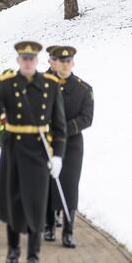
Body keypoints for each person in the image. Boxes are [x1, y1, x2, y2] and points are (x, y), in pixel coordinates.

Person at [0, 41, 66, 263]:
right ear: (18, 60)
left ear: (37, 60)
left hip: (39, 152)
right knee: (14, 201)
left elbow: (59, 126)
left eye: (32, 58)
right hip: (13, 149)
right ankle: (13, 249)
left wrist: (58, 156)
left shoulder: (50, 85)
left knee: (36, 203)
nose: (28, 62)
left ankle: (33, 255)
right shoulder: (7, 84)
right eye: (24, 58)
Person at [44, 46, 94, 248]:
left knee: (70, 185)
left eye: (67, 61)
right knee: (48, 184)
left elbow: (86, 119)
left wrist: (63, 129)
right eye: (60, 61)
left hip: (72, 144)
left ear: (72, 63)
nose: (64, 65)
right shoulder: (44, 86)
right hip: (48, 143)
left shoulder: (84, 89)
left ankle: (68, 230)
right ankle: (48, 225)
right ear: (54, 62)